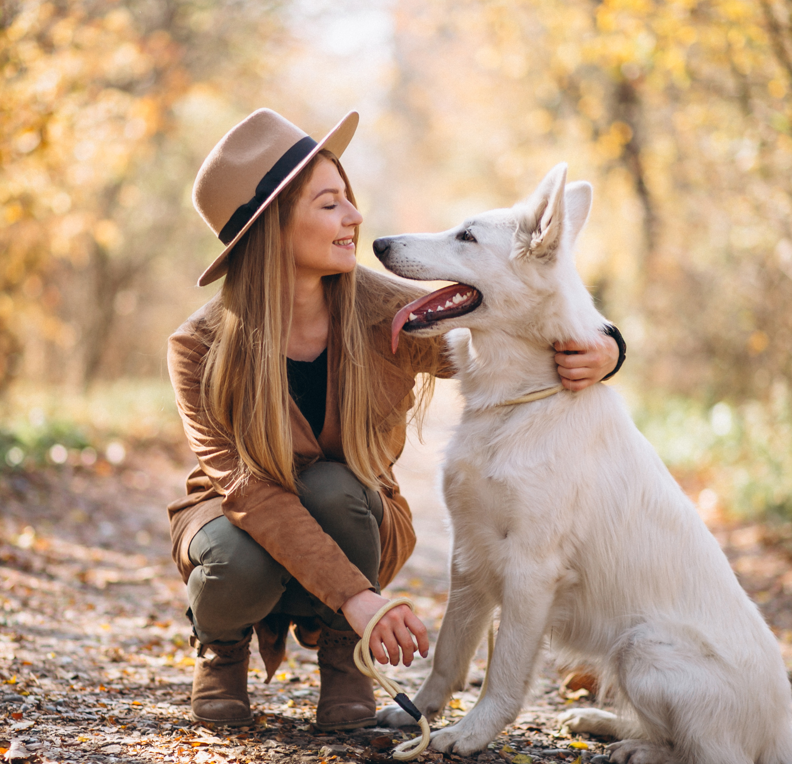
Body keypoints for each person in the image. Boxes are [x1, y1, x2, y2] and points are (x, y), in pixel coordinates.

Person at [166, 109, 624, 730]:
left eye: (349, 198)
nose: (355, 216)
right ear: (272, 227)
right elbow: (248, 492)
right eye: (331, 204)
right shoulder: (198, 347)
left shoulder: (389, 310)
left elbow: (517, 318)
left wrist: (606, 345)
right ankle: (221, 650)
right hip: (239, 520)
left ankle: (342, 657)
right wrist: (361, 599)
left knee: (335, 488)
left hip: (353, 515)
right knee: (231, 556)